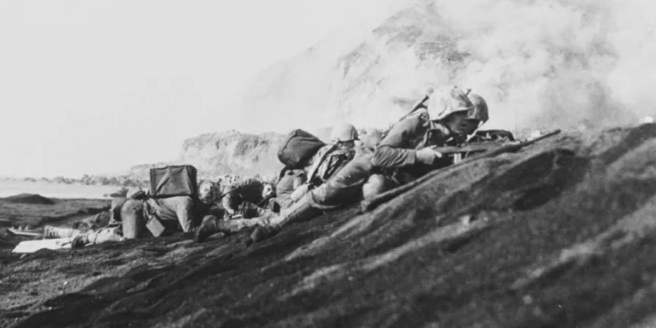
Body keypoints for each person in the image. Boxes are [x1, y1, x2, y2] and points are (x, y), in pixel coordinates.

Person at [194, 87, 477, 243]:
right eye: (459, 115)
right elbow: (379, 157)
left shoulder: (442, 132)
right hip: (366, 165)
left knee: (374, 188)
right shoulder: (417, 121)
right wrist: (420, 157)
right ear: (443, 112)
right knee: (321, 198)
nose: (464, 120)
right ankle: (258, 228)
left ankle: (222, 225)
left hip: (381, 174)